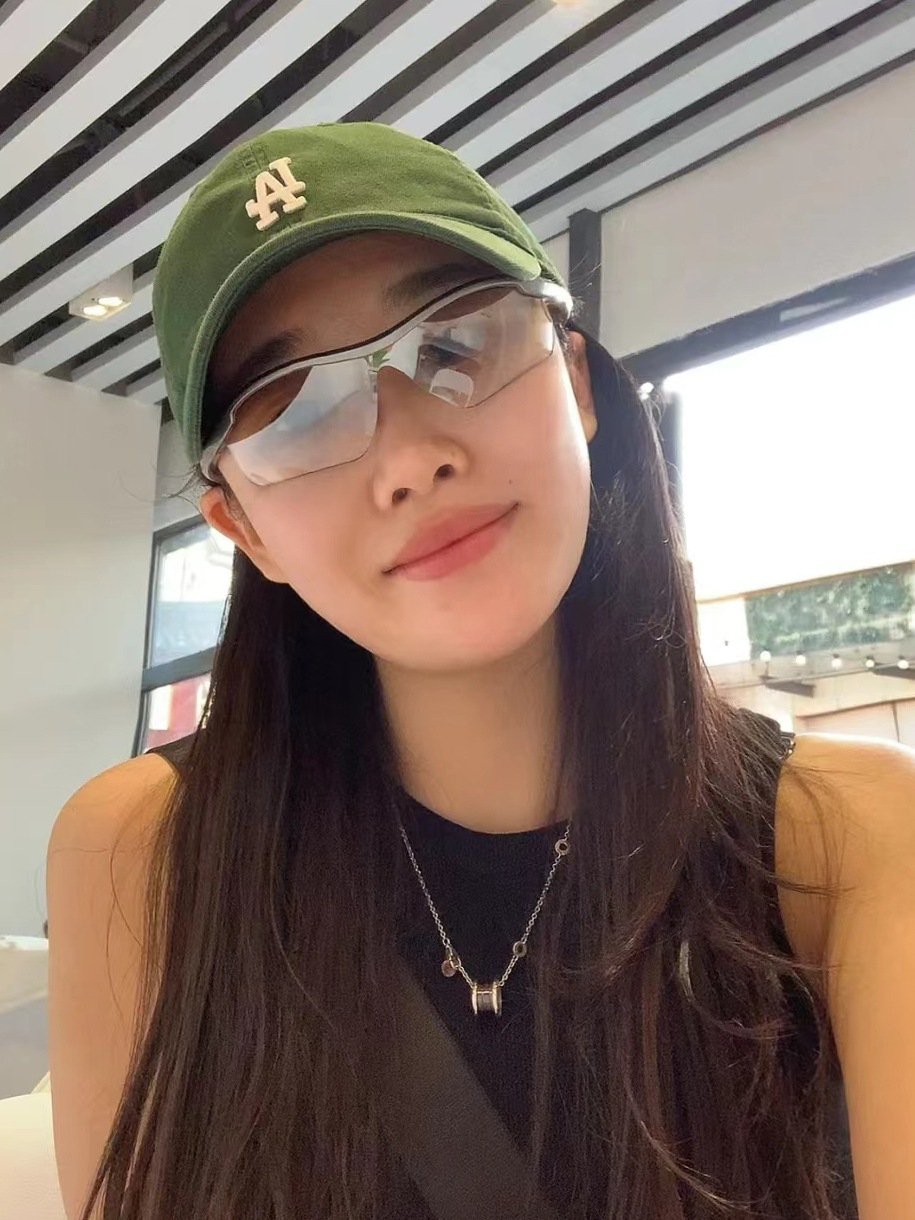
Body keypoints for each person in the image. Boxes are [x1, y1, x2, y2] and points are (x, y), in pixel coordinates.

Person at [46, 121, 910, 1220]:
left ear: (577, 384)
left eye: (455, 344)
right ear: (245, 529)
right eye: (293, 415)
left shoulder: (847, 836)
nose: (411, 458)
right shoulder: (144, 849)